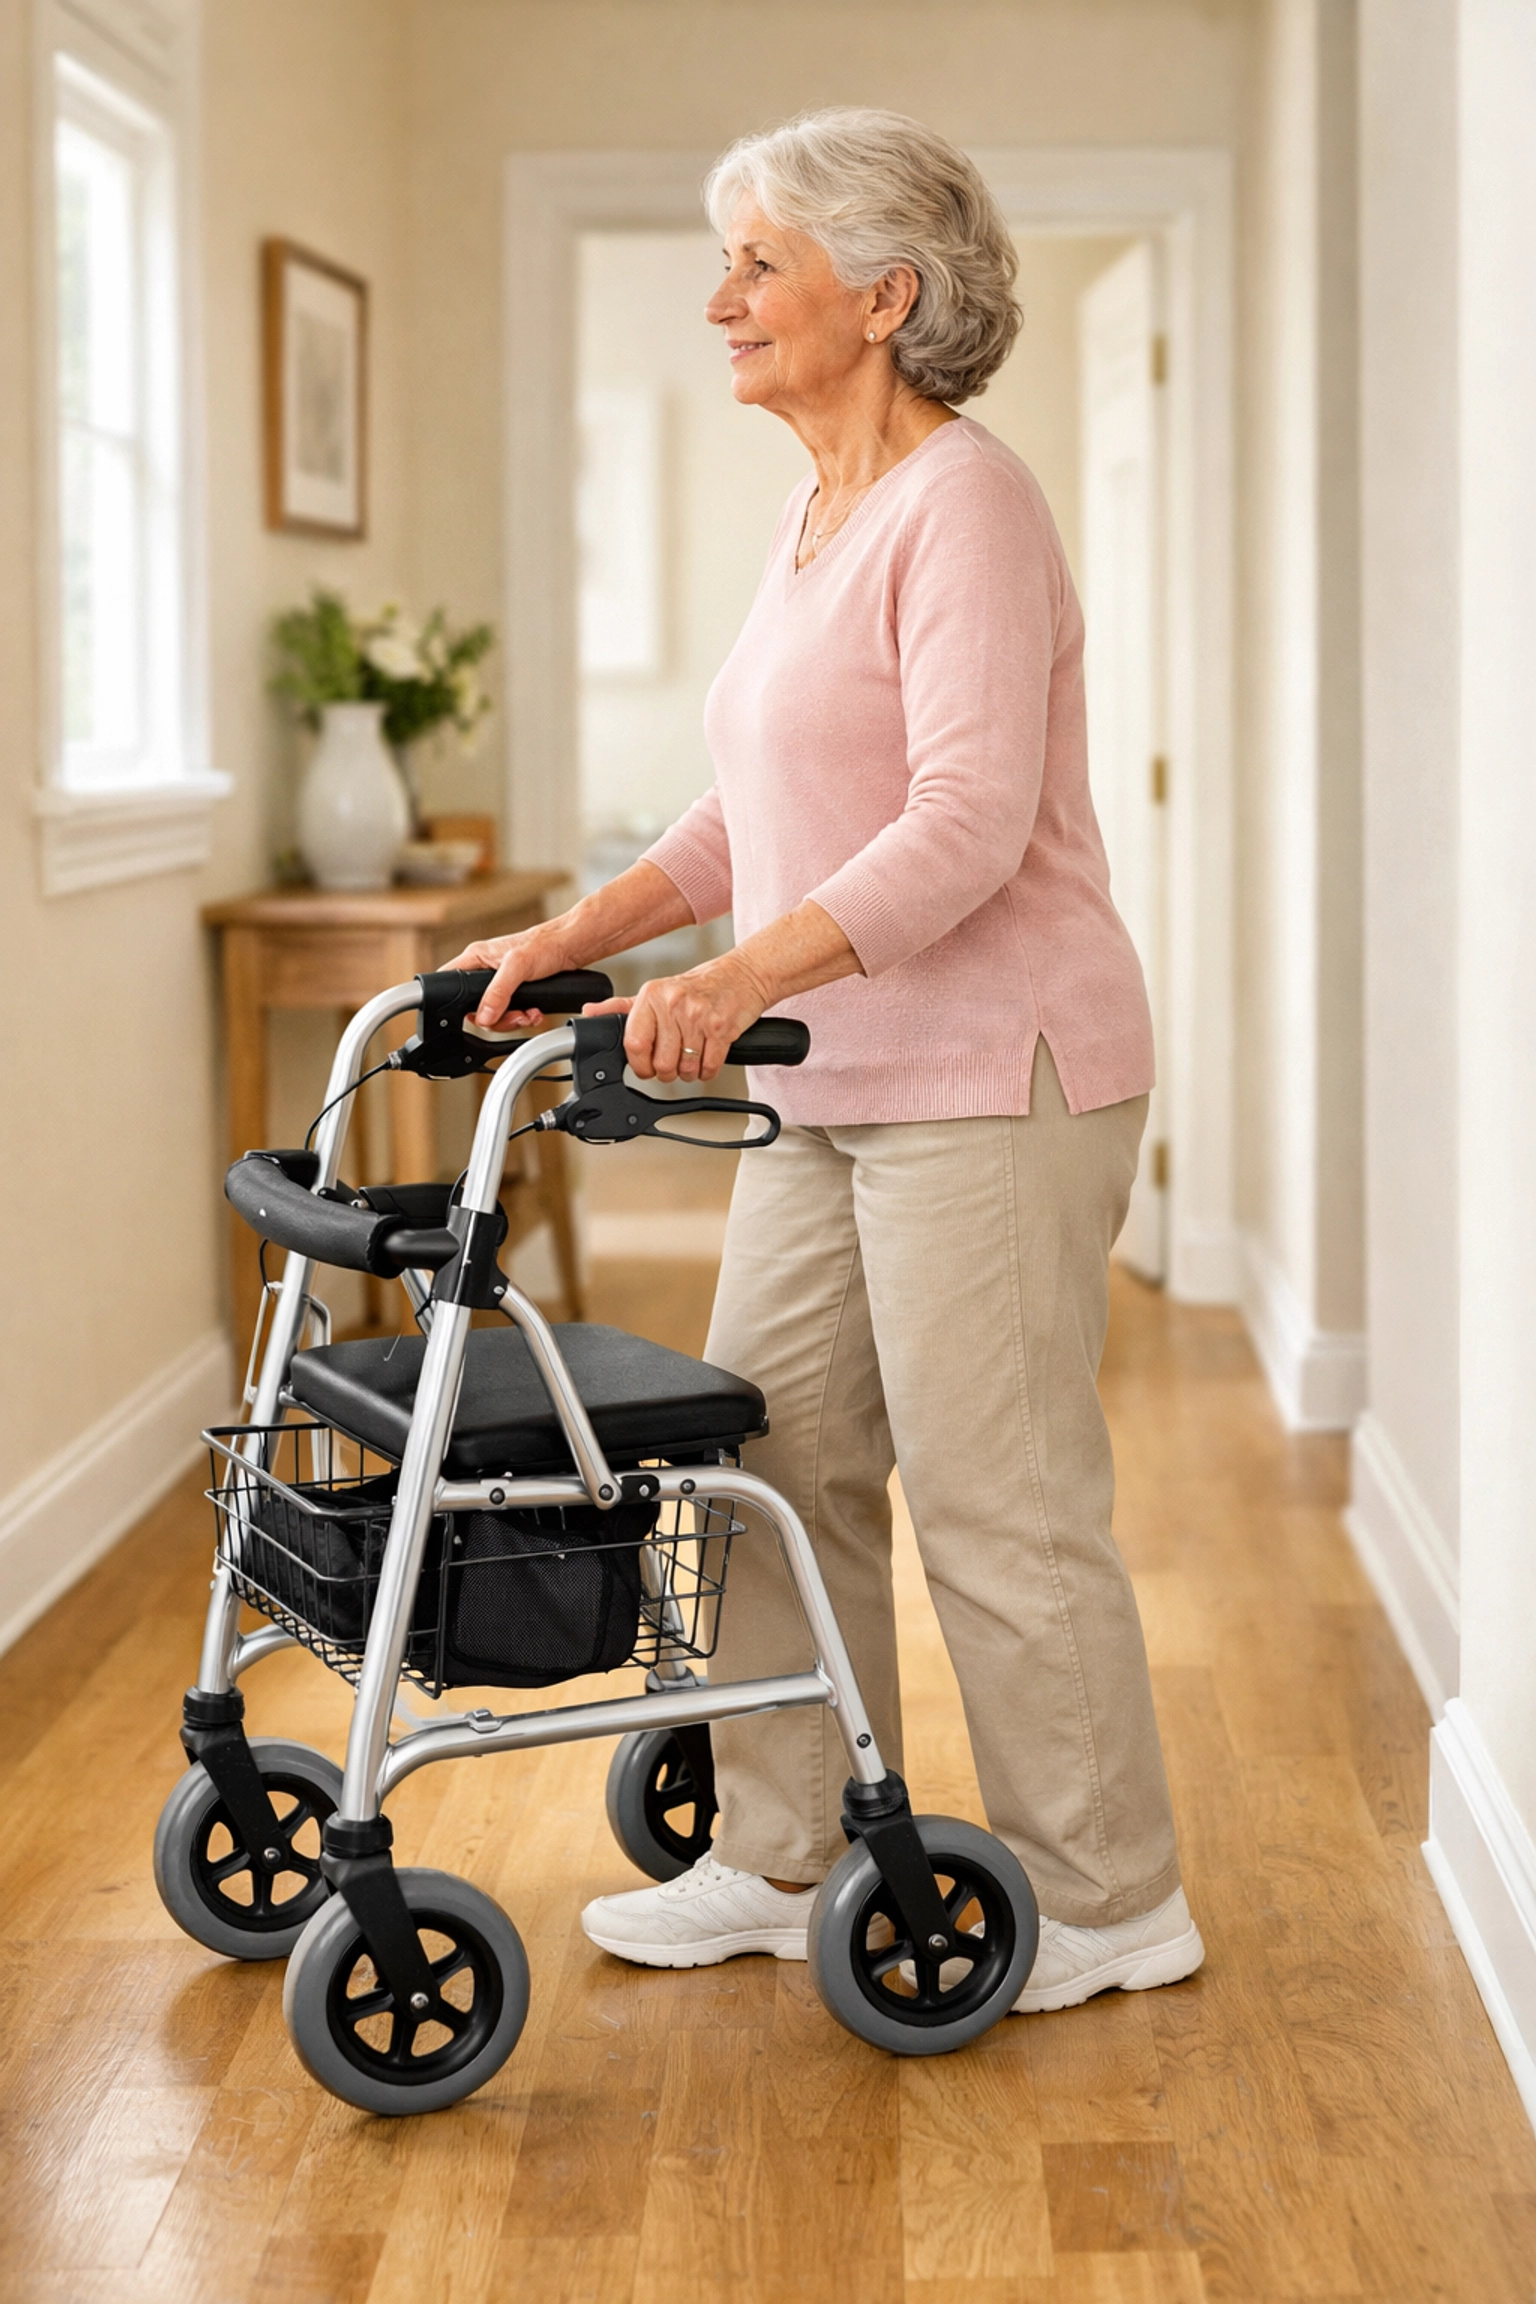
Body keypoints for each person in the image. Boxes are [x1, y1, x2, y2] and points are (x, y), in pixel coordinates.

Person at [445, 108, 1202, 2014]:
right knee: (763, 1458)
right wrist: (577, 937)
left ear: (885, 296)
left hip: (994, 1071)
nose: (724, 302)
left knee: (997, 1493)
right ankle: (781, 1848)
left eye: (757, 265)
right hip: (830, 1072)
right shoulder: (823, 512)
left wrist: (730, 976)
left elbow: (963, 819)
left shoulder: (972, 504)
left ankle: (1109, 1895)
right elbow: (745, 809)